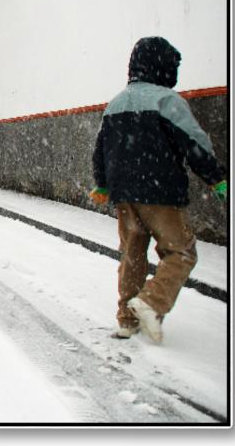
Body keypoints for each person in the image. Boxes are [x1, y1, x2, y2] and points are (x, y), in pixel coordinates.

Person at [90, 36, 227, 343]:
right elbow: (193, 142)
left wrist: (101, 183)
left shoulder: (115, 103)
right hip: (160, 193)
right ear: (163, 67)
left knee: (131, 255)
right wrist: (215, 176)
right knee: (181, 252)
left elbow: (100, 149)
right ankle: (150, 302)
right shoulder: (167, 101)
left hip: (124, 195)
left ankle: (126, 319)